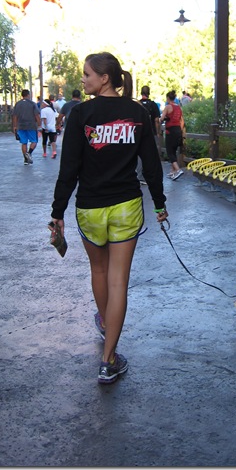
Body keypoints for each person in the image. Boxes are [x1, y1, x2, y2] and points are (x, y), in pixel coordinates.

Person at [49, 51, 168, 385]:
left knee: (99, 272)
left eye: (87, 74)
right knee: (118, 282)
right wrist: (159, 204)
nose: (82, 79)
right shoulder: (138, 112)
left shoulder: (81, 114)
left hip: (89, 207)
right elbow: (152, 164)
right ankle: (108, 359)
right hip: (126, 206)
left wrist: (57, 211)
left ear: (104, 79)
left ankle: (106, 327)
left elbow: (69, 168)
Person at [136, 85, 161, 183]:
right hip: (151, 132)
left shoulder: (137, 104)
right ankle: (149, 175)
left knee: (139, 155)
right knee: (150, 154)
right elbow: (156, 120)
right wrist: (158, 132)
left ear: (141, 93)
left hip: (138, 133)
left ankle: (140, 175)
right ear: (149, 93)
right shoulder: (153, 105)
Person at [160, 90, 185, 180]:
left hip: (170, 131)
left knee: (169, 152)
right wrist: (180, 130)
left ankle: (178, 170)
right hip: (178, 130)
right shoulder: (179, 107)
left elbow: (161, 118)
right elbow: (182, 121)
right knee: (174, 150)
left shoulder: (167, 107)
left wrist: (160, 120)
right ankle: (173, 171)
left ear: (168, 98)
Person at [12, 89, 41, 165]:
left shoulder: (18, 104)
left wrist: (15, 126)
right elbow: (37, 115)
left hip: (21, 126)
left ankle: (25, 159)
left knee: (24, 142)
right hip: (31, 125)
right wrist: (39, 125)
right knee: (34, 141)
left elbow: (15, 116)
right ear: (28, 95)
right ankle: (29, 153)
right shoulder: (32, 104)